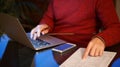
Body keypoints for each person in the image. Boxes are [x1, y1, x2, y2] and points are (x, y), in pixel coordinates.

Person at [30, 0, 120, 59]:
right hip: (53, 47)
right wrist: (44, 24)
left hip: (80, 49)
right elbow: (49, 17)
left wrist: (101, 39)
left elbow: (116, 28)